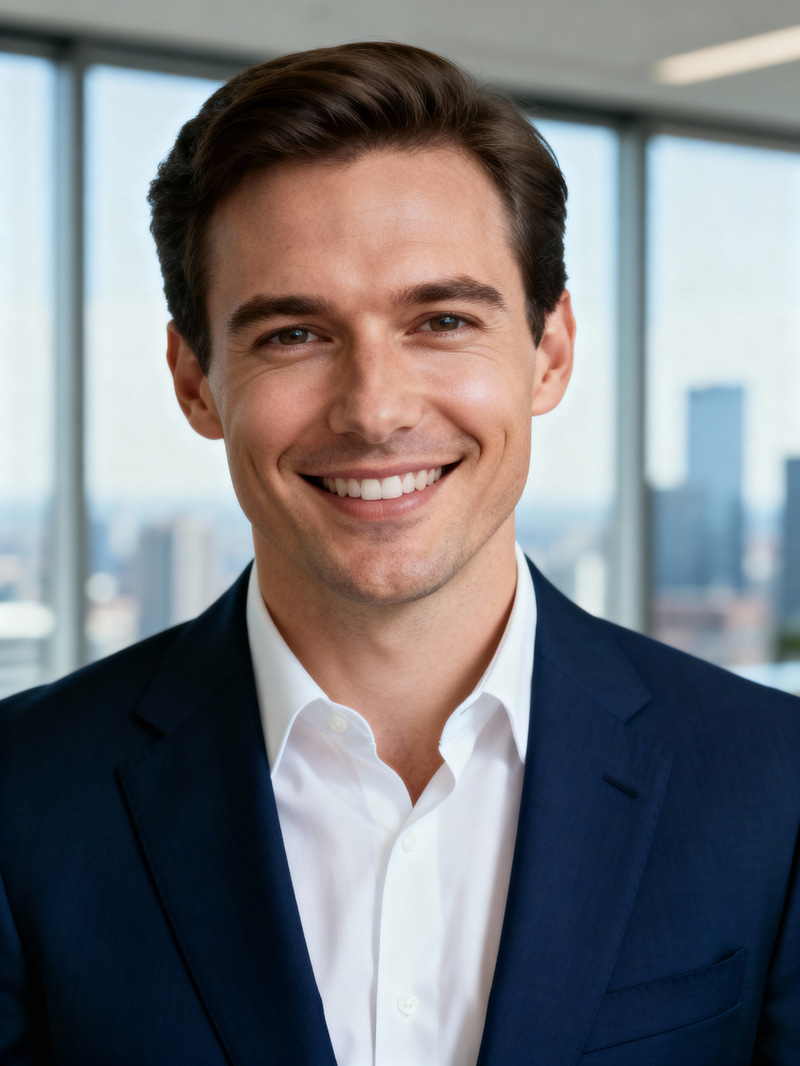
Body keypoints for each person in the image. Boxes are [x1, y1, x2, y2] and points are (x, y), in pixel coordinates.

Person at [1, 41, 798, 1066]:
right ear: (196, 380)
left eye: (442, 320)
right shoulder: (23, 799)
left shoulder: (772, 786)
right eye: (293, 334)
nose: (375, 411)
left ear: (549, 351)